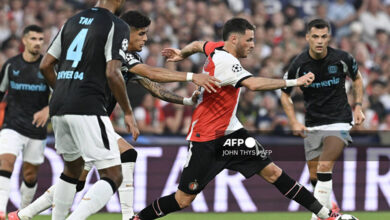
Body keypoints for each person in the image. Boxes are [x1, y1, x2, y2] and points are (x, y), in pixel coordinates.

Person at [131, 17, 342, 220]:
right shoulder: (226, 62)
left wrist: (181, 54)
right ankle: (140, 218)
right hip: (206, 139)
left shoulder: (216, 47)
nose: (252, 45)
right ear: (234, 39)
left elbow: (198, 44)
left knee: (274, 173)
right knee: (183, 199)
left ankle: (326, 215)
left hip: (232, 133)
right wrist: (295, 82)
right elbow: (254, 85)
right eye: (249, 40)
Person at [8, 10, 206, 220]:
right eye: (141, 34)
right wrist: (192, 76)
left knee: (76, 181)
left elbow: (153, 87)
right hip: (89, 115)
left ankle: (22, 215)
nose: (145, 39)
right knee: (126, 155)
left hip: (88, 115)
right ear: (126, 32)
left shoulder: (128, 58)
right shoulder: (116, 53)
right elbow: (150, 72)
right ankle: (127, 216)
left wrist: (186, 101)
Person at [38, 1, 139, 219]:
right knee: (113, 174)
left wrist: (65, 90)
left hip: (59, 104)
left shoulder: (71, 21)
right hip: (88, 104)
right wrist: (129, 112)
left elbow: (45, 65)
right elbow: (113, 72)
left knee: (72, 170)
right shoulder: (117, 24)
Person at [279, 19, 365, 220]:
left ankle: (317, 218)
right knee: (315, 177)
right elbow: (285, 94)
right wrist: (292, 120)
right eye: (315, 36)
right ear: (307, 37)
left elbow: (358, 79)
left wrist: (358, 106)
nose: (319, 41)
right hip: (313, 124)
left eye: (323, 36)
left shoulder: (342, 58)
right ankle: (331, 209)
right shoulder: (299, 64)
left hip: (340, 120)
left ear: (329, 37)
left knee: (325, 166)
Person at [0, 25, 49, 220]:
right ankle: (1, 211)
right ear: (24, 40)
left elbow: (61, 95)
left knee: (30, 175)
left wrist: (49, 109)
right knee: (5, 162)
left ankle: (23, 212)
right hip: (12, 125)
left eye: (40, 39)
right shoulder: (11, 65)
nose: (37, 43)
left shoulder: (47, 67)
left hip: (36, 129)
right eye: (34, 39)